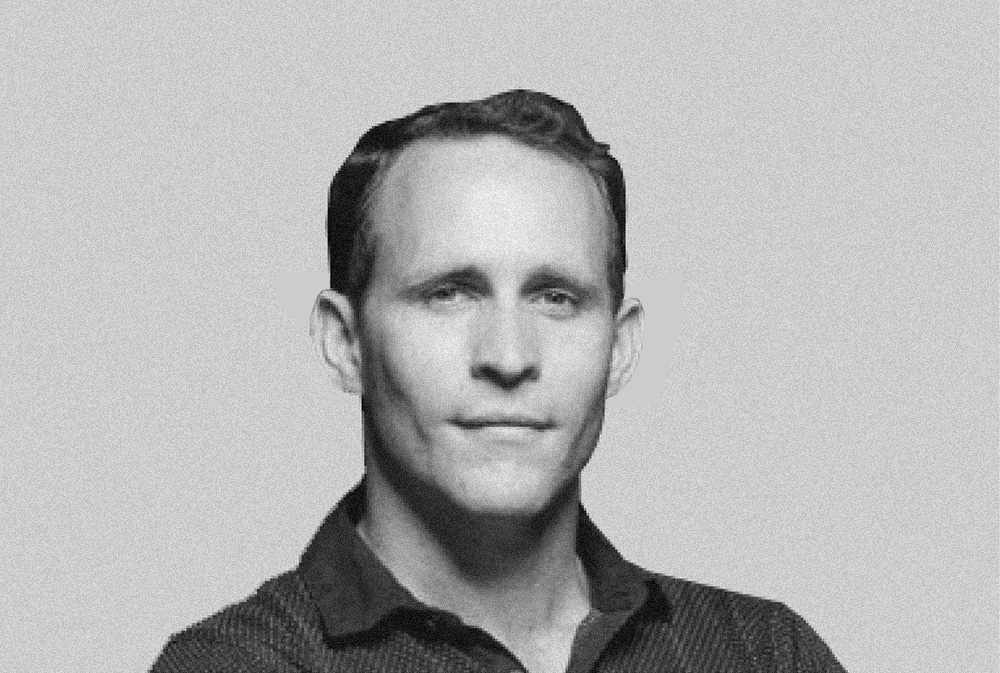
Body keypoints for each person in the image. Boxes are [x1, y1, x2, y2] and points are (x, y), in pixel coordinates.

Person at [152, 90, 846, 673]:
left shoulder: (764, 655)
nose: (509, 357)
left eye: (556, 298)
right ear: (345, 341)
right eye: (449, 293)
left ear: (619, 346)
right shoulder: (238, 664)